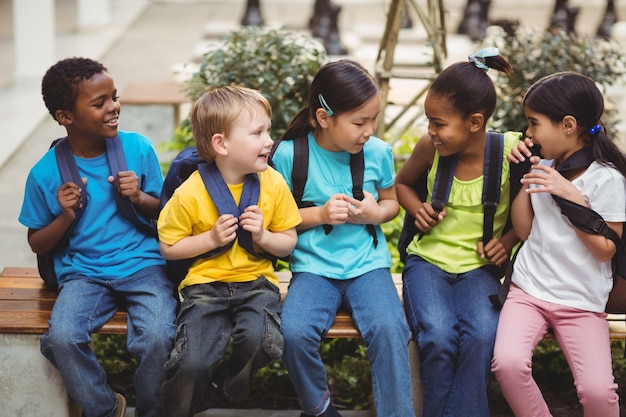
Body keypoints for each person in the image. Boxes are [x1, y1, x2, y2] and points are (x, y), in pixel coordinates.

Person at [18, 57, 177, 417]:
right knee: (60, 338)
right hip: (84, 274)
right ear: (65, 117)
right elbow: (36, 242)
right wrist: (66, 215)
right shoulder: (44, 173)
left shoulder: (137, 148)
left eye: (113, 97)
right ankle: (105, 408)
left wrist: (139, 197)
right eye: (99, 102)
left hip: (144, 265)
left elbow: (165, 213)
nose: (113, 107)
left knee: (156, 337)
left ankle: (151, 411)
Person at [271, 59, 415, 417]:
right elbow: (277, 222)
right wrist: (318, 215)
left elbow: (391, 202)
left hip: (367, 266)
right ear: (324, 118)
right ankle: (320, 409)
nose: (369, 130)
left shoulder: (377, 153)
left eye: (374, 119)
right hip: (313, 269)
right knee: (293, 332)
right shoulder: (290, 155)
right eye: (359, 122)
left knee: (389, 329)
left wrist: (375, 214)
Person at [156, 85, 301, 417]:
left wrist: (264, 235)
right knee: (191, 360)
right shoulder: (191, 191)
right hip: (204, 286)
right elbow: (169, 246)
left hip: (257, 283)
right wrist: (209, 239)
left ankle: (223, 387)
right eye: (258, 133)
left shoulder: (273, 183)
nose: (269, 140)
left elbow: (289, 240)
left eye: (268, 130)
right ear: (221, 144)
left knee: (263, 342)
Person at [395, 47, 521, 417]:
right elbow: (403, 184)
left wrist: (508, 241)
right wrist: (417, 210)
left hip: (479, 269)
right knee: (437, 335)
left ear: (475, 121)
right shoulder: (429, 148)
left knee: (483, 336)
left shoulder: (511, 152)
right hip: (428, 263)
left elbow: (537, 204)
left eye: (438, 123)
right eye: (428, 121)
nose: (431, 131)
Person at [491, 71, 626, 416]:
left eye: (534, 124)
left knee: (598, 393)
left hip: (581, 300)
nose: (529, 133)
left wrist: (571, 197)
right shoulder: (546, 165)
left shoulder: (607, 178)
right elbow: (524, 231)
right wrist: (523, 175)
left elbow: (605, 249)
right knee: (507, 364)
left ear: (568, 125)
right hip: (529, 290)